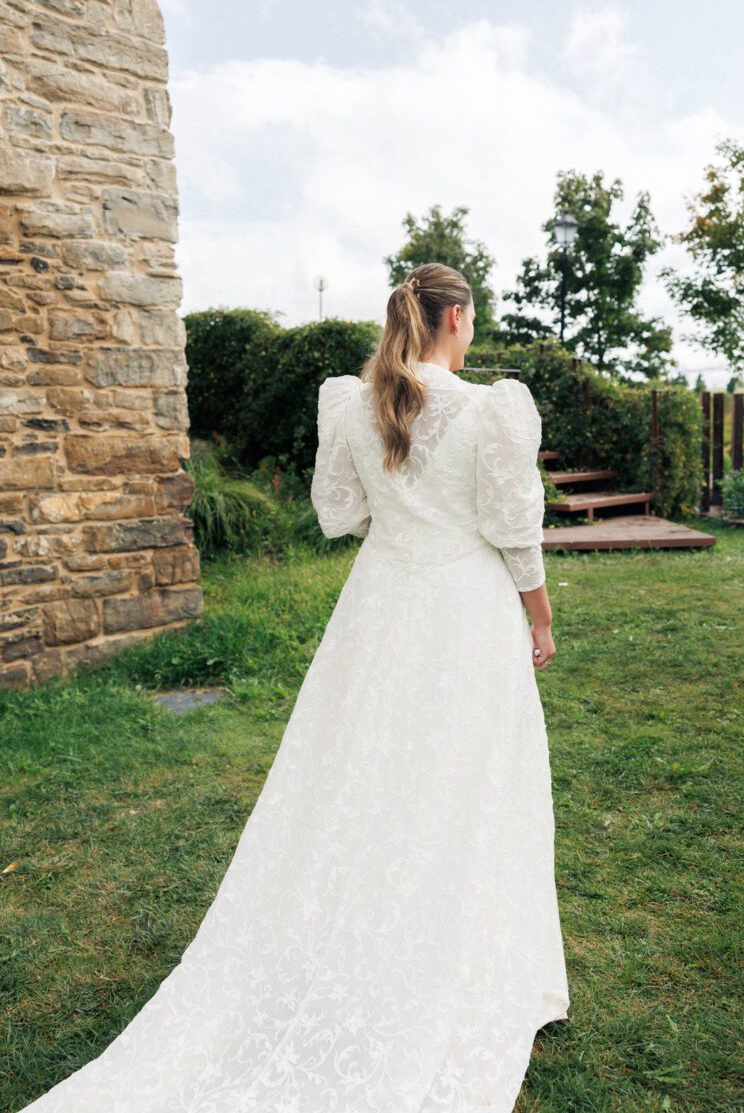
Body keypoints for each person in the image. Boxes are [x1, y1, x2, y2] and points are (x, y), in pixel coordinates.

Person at [18, 262, 569, 1113]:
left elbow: (337, 513)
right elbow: (514, 529)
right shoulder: (490, 408)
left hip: (380, 612)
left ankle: (363, 942)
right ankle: (451, 957)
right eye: (471, 315)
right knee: (467, 783)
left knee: (361, 780)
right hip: (464, 614)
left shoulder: (353, 402)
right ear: (454, 316)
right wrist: (539, 619)